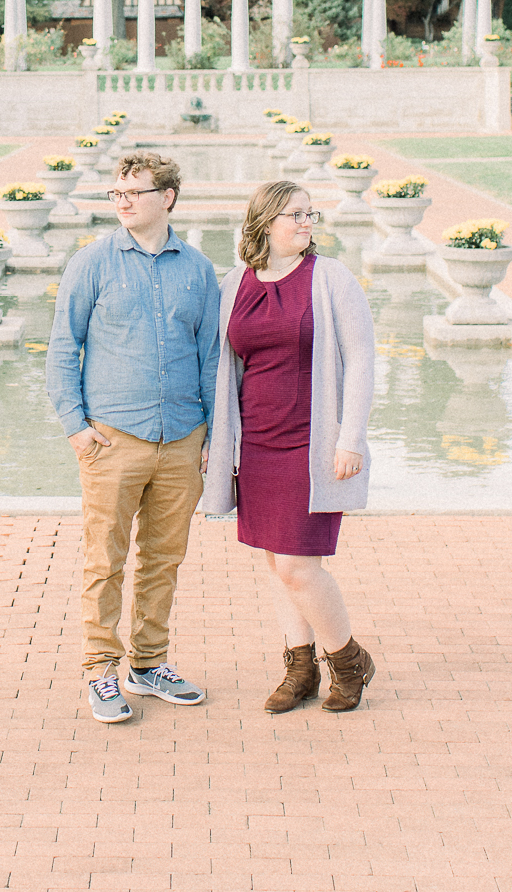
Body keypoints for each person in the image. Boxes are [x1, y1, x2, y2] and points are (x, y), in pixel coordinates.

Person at [47, 151, 221, 723]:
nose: (122, 202)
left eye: (135, 193)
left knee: (163, 559)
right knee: (105, 560)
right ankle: (100, 670)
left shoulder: (197, 269)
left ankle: (149, 665)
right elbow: (61, 350)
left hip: (181, 440)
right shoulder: (92, 263)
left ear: (167, 198)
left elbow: (210, 358)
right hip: (113, 439)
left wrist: (211, 438)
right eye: (116, 193)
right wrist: (76, 427)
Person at [205, 180, 377, 713]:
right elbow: (224, 367)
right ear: (264, 224)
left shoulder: (330, 279)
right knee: (278, 563)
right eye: (295, 214)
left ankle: (348, 661)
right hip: (256, 444)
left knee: (300, 566)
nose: (306, 223)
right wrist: (218, 440)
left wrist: (351, 439)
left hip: (311, 445)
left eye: (310, 213)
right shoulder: (236, 282)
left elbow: (363, 360)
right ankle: (298, 667)